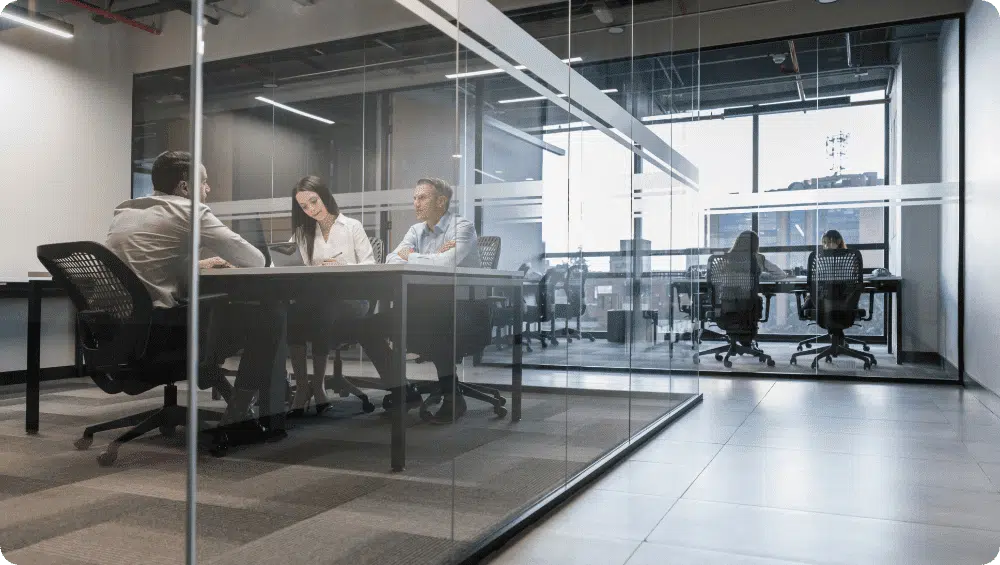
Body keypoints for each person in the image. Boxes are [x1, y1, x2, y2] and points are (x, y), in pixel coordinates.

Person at [105, 150, 287, 441]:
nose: (208, 189)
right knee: (270, 315)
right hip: (161, 336)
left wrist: (199, 265)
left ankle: (210, 373)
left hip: (119, 335)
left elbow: (146, 267)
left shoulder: (126, 210)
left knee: (216, 314)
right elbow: (254, 260)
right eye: (203, 182)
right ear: (184, 188)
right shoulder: (189, 210)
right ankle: (237, 412)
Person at [355, 178, 482, 424]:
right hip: (421, 307)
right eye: (414, 198)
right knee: (366, 327)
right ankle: (403, 391)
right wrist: (431, 255)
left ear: (441, 201)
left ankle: (452, 396)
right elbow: (392, 260)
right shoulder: (416, 230)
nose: (416, 203)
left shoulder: (462, 227)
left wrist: (412, 256)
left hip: (462, 308)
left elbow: (447, 264)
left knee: (436, 321)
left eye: (422, 197)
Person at [285, 176, 375, 418]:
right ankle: (303, 386)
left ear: (324, 196)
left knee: (320, 310)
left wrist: (341, 264)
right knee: (296, 312)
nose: (311, 209)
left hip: (353, 300)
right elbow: (283, 262)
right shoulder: (302, 233)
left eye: (314, 201)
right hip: (315, 302)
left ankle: (318, 385)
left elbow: (370, 265)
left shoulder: (352, 226)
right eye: (304, 206)